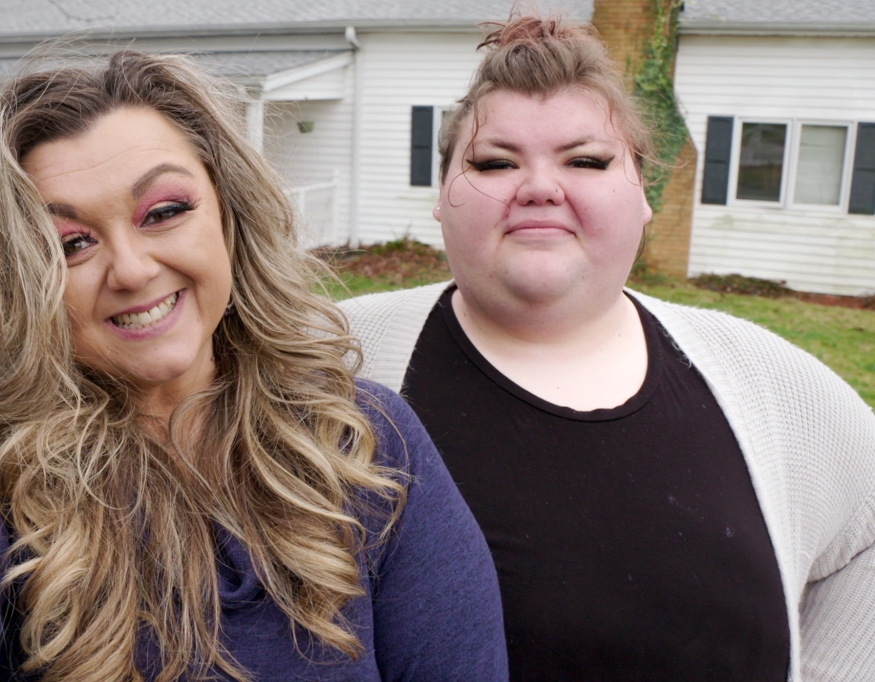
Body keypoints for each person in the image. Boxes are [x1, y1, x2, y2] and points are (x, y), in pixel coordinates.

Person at [0, 51, 508, 682]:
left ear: (229, 215)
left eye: (163, 213)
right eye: (71, 245)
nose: (133, 269)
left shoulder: (363, 442)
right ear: (29, 279)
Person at [341, 14, 875, 682]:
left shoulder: (773, 385)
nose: (538, 186)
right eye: (494, 162)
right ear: (442, 196)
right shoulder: (331, 361)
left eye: (586, 160)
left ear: (645, 196)